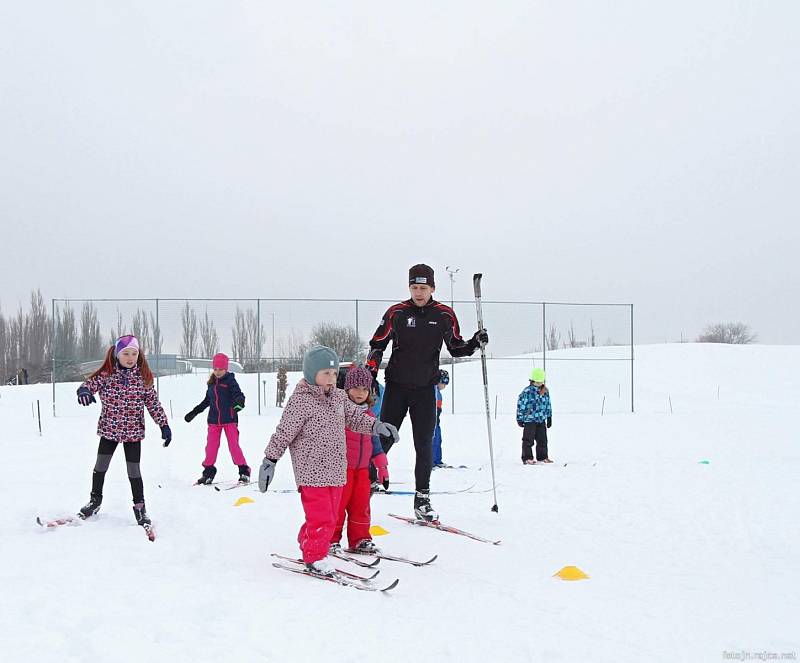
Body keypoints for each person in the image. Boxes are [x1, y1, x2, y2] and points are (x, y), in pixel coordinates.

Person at [258, 346, 398, 577]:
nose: (331, 379)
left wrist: (376, 426)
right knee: (322, 517)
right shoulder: (300, 401)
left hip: (336, 470)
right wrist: (270, 459)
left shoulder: (339, 397)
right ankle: (314, 557)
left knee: (330, 517)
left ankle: (307, 540)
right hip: (311, 472)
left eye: (334, 374)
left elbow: (355, 418)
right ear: (311, 374)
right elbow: (284, 433)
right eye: (326, 373)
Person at [366, 264, 488, 521]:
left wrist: (475, 343)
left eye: (423, 288)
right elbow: (377, 345)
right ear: (409, 287)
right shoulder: (396, 312)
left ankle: (422, 499)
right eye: (414, 287)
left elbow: (455, 348)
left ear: (432, 288)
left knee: (424, 445)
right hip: (397, 386)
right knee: (385, 437)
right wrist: (369, 375)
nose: (418, 292)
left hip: (424, 390)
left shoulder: (444, 315)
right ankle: (366, 482)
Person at [75, 335, 172, 527]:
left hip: (133, 432)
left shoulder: (142, 379)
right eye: (126, 353)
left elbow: (153, 403)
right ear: (117, 355)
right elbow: (88, 385)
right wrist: (84, 392)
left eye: (134, 353)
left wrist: (164, 425)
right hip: (109, 430)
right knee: (100, 466)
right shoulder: (107, 375)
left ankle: (139, 506)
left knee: (133, 470)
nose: (130, 357)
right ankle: (95, 500)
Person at [330, 365, 389, 555]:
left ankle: (360, 539)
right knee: (338, 506)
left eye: (364, 389)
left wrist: (382, 466)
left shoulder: (370, 416)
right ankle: (331, 539)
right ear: (346, 389)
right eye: (355, 388)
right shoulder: (340, 413)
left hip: (363, 471)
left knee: (361, 506)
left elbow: (376, 444)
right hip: (342, 471)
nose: (360, 393)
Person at [184, 353, 250, 485]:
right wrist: (195, 411)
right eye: (215, 369)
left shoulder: (230, 381)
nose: (218, 372)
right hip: (214, 421)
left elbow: (239, 395)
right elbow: (207, 401)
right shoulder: (211, 384)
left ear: (226, 368)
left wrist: (239, 403)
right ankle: (208, 472)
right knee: (211, 448)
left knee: (234, 446)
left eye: (220, 369)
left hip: (229, 419)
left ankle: (244, 471)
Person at [516, 367, 553, 464]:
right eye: (537, 382)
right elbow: (521, 405)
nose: (539, 384)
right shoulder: (527, 391)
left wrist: (549, 417)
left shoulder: (545, 391)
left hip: (541, 420)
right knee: (528, 440)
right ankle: (527, 457)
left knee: (543, 440)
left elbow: (548, 404)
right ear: (532, 381)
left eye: (541, 382)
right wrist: (520, 418)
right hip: (530, 420)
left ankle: (542, 457)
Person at [432, 368, 449, 468]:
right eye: (444, 383)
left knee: (438, 440)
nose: (445, 386)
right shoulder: (433, 391)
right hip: (432, 421)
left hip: (436, 421)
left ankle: (437, 460)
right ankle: (432, 462)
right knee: (433, 441)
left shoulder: (438, 392)